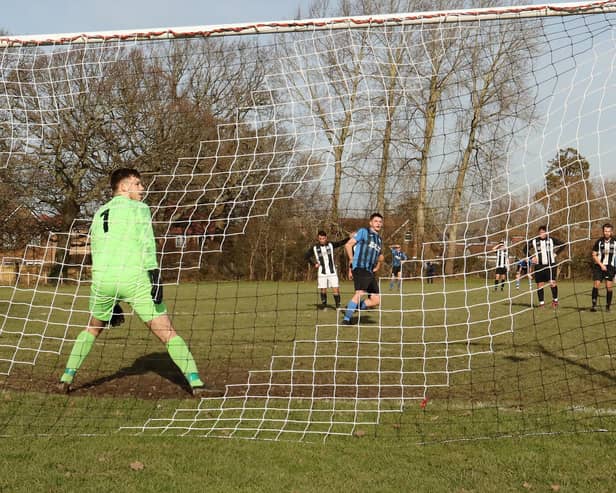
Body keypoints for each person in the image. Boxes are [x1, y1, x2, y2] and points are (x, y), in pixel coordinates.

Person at [58, 168, 221, 397]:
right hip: (134, 278)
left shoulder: (99, 213)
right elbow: (147, 242)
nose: (142, 189)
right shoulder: (139, 209)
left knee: (92, 329)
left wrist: (108, 293)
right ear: (123, 187)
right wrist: (154, 274)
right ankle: (196, 383)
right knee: (168, 333)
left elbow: (96, 250)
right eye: (137, 184)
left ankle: (65, 378)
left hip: (103, 280)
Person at [342, 213, 384, 325]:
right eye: (376, 221)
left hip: (369, 271)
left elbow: (380, 256)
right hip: (360, 268)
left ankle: (351, 307)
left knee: (376, 300)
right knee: (360, 293)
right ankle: (346, 319)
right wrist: (351, 259)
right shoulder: (364, 232)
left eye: (380, 222)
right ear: (370, 223)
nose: (378, 223)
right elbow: (348, 245)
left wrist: (378, 265)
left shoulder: (379, 239)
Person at [304, 230, 349, 308]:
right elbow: (306, 256)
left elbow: (340, 243)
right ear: (318, 238)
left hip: (332, 271)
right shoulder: (314, 248)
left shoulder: (331, 244)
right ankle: (324, 306)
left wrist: (349, 238)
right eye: (320, 238)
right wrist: (314, 264)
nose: (322, 240)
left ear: (326, 238)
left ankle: (338, 306)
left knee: (336, 288)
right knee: (323, 289)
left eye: (323, 238)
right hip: (322, 272)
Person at [526, 225, 565, 308]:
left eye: (543, 232)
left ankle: (555, 301)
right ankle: (541, 304)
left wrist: (556, 253)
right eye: (540, 232)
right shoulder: (534, 241)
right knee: (540, 284)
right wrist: (531, 257)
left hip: (550, 265)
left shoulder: (551, 240)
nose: (542, 234)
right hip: (539, 266)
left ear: (547, 233)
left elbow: (563, 244)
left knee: (552, 283)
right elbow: (525, 249)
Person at [590, 222, 616, 312]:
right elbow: (594, 255)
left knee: (609, 287)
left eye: (608, 231)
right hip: (599, 266)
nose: (607, 233)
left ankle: (608, 306)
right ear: (603, 231)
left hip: (610, 267)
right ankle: (594, 305)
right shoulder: (599, 242)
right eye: (605, 231)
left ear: (611, 232)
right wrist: (601, 265)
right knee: (596, 284)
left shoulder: (615, 241)